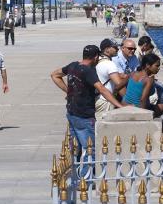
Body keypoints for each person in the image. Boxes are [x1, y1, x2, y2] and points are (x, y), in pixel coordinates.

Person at [50, 45, 122, 173]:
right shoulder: (88, 70)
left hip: (71, 112)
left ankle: (75, 174)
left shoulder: (73, 66)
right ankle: (84, 180)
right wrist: (120, 105)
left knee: (75, 147)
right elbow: (102, 89)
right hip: (84, 115)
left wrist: (68, 91)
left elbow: (54, 75)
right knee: (91, 148)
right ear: (95, 57)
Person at [123, 53, 163, 118]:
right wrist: (144, 116)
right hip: (138, 110)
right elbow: (143, 99)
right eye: (157, 66)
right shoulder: (149, 80)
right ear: (148, 65)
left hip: (125, 105)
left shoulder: (133, 73)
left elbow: (117, 87)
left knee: (158, 103)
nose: (158, 68)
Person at [95, 38, 128, 116]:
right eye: (115, 47)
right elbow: (119, 84)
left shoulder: (97, 60)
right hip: (106, 101)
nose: (117, 49)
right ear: (107, 49)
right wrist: (128, 101)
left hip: (97, 98)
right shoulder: (109, 64)